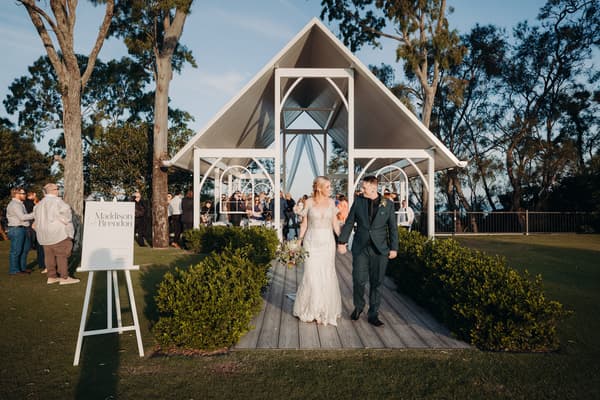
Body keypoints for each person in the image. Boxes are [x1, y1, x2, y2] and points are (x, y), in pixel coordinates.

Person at [337, 175, 398, 327]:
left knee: (377, 283)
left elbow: (393, 228)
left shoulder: (388, 204)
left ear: (373, 187)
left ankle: (373, 314)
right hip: (360, 248)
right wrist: (342, 241)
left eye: (364, 187)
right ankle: (358, 307)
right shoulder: (358, 201)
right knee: (358, 279)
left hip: (380, 250)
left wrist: (394, 248)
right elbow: (350, 222)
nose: (361, 189)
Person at [293, 176, 342, 326]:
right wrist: (298, 241)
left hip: (328, 243)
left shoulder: (332, 203)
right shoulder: (308, 202)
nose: (330, 189)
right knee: (311, 274)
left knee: (327, 274)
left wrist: (342, 240)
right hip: (311, 243)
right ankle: (312, 309)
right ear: (319, 188)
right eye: (328, 186)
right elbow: (304, 224)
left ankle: (324, 310)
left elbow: (335, 223)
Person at [33, 183, 79, 285]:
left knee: (49, 256)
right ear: (53, 191)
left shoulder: (39, 204)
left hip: (44, 235)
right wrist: (65, 223)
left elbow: (36, 219)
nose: (58, 190)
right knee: (62, 255)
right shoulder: (58, 201)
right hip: (58, 233)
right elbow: (67, 216)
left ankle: (52, 276)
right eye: (57, 189)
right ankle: (64, 277)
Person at [6, 187, 34, 275]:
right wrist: (35, 213)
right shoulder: (14, 204)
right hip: (16, 229)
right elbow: (22, 217)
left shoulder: (20, 204)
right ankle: (14, 270)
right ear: (16, 194)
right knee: (16, 251)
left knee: (24, 250)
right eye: (23, 193)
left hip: (23, 228)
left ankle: (22, 268)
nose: (25, 195)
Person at [24, 189, 46, 273]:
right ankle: (43, 264)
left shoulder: (29, 203)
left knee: (39, 246)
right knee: (41, 246)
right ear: (33, 194)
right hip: (35, 226)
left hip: (34, 225)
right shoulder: (31, 204)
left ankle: (42, 264)